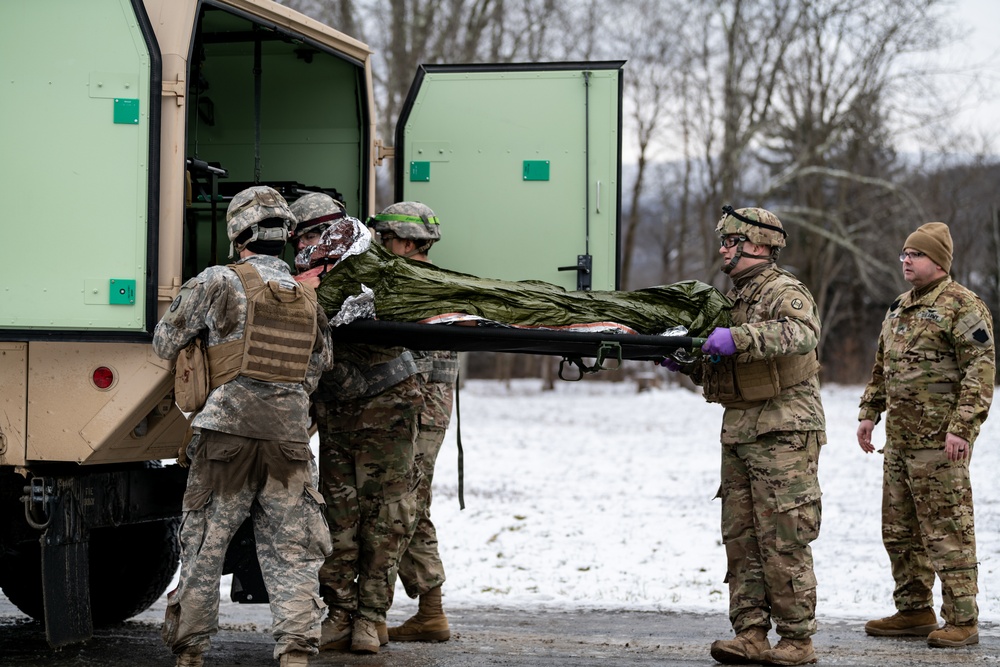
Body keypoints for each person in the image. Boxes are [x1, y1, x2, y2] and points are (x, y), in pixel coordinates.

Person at [153, 185, 334, 667]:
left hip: (225, 442)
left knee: (205, 548)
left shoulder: (217, 281)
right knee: (292, 554)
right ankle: (296, 651)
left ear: (238, 234)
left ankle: (190, 651)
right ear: (286, 235)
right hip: (289, 445)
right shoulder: (309, 299)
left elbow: (164, 344)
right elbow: (315, 371)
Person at [661, 206, 825, 666]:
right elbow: (726, 364)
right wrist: (688, 362)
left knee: (784, 535)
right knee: (741, 536)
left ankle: (797, 640)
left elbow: (801, 333)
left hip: (785, 431)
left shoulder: (783, 290)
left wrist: (739, 338)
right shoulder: (735, 298)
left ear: (756, 244)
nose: (722, 250)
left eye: (729, 242)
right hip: (740, 431)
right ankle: (750, 632)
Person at [294, 197, 423, 655]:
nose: (307, 243)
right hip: (338, 410)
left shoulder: (370, 262)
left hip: (386, 405)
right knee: (337, 517)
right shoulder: (306, 276)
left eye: (314, 233)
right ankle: (341, 612)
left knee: (385, 516)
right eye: (302, 236)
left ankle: (371, 617)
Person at [857, 222, 994, 648]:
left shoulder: (962, 306)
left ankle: (963, 619)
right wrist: (869, 413)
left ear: (938, 260)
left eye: (914, 254)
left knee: (948, 531)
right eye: (903, 254)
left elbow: (980, 370)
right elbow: (884, 366)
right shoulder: (899, 307)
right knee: (900, 531)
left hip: (940, 443)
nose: (906, 261)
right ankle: (914, 609)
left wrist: (962, 429)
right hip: (899, 441)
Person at [370, 203, 459, 642]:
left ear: (404, 242)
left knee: (397, 507)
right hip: (430, 413)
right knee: (412, 504)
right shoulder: (441, 284)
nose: (381, 248)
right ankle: (429, 610)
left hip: (411, 412)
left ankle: (380, 614)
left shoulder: (406, 285)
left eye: (385, 241)